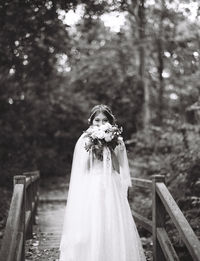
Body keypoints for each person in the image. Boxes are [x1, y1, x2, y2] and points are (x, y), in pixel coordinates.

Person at [59, 104, 146, 261]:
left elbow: (119, 169)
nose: (100, 123)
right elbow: (82, 170)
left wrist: (109, 147)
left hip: (110, 185)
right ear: (91, 122)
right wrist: (94, 150)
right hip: (92, 185)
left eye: (104, 120)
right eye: (97, 120)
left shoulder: (117, 140)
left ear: (110, 121)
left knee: (111, 221)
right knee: (92, 223)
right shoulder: (85, 140)